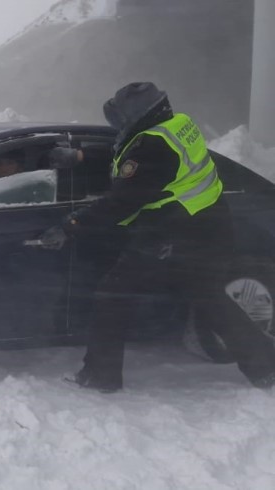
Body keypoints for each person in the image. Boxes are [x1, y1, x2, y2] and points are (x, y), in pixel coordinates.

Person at [40, 82, 275, 392]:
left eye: (120, 117)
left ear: (138, 114)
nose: (118, 124)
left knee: (112, 295)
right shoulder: (175, 127)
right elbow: (133, 162)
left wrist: (70, 224)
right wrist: (82, 156)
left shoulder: (152, 146)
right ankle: (264, 367)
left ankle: (100, 375)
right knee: (210, 299)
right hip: (207, 225)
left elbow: (122, 200)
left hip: (176, 234)